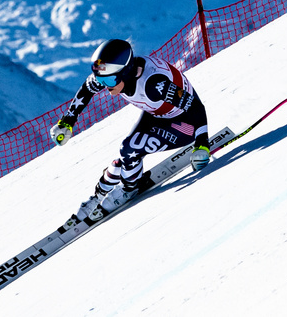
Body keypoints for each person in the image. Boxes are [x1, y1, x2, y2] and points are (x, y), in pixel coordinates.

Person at [49, 38, 211, 220]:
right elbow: (87, 89)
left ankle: (129, 189)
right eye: (101, 79)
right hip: (157, 114)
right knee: (124, 160)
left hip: (185, 124)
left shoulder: (154, 85)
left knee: (129, 149)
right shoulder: (115, 76)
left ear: (125, 73)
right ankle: (107, 190)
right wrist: (67, 121)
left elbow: (196, 107)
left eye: (109, 79)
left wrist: (202, 144)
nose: (105, 85)